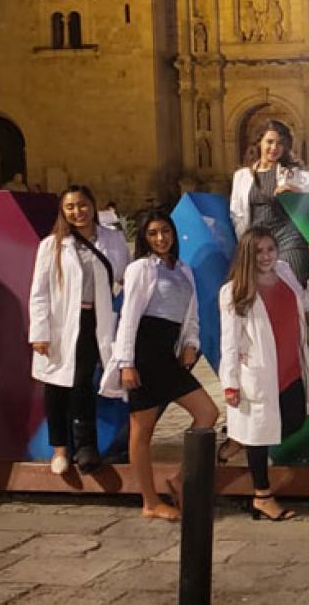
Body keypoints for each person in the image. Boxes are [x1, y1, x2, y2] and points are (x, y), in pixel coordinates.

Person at [100, 211, 219, 521]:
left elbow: (190, 315)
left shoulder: (184, 270)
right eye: (153, 233)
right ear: (144, 238)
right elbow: (129, 317)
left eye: (165, 231)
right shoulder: (140, 268)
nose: (160, 238)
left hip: (168, 355)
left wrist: (191, 344)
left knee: (207, 413)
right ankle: (149, 501)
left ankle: (179, 481)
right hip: (144, 354)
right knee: (142, 431)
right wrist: (126, 363)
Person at [219, 225, 309, 522]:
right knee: (260, 434)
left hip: (291, 366)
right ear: (247, 255)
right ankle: (262, 496)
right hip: (258, 372)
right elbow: (230, 341)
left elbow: (303, 304)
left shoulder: (284, 272)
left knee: (294, 419)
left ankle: (239, 442)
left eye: (270, 249)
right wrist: (230, 383)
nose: (266, 256)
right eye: (258, 251)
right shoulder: (234, 290)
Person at [29, 185, 130, 475]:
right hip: (60, 323)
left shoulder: (111, 239)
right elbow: (39, 292)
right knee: (56, 385)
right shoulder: (51, 245)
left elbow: (126, 275)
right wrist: (40, 332)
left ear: (93, 206)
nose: (77, 212)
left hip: (93, 321)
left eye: (83, 205)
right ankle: (60, 447)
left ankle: (86, 446)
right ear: (63, 210)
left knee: (83, 382)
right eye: (70, 207)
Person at [228, 119, 309, 364]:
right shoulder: (241, 177)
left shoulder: (292, 174)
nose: (274, 148)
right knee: (295, 305)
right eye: (269, 142)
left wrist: (299, 191)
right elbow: (237, 215)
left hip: (290, 239)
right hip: (261, 246)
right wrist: (245, 249)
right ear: (259, 142)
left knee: (295, 297)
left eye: (280, 143)